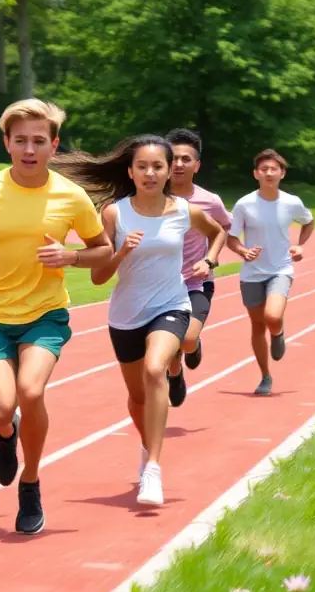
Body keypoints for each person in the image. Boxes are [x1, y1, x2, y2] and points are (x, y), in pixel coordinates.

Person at [0, 99, 112, 535]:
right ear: (7, 144)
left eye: (39, 141)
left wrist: (71, 255)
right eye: (21, 141)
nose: (30, 149)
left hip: (45, 314)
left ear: (53, 146)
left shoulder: (70, 196)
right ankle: (5, 433)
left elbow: (103, 250)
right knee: (0, 410)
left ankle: (31, 481)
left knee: (30, 389)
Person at [55, 135, 225, 506]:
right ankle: (149, 450)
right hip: (126, 313)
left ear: (168, 172)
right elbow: (99, 278)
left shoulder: (184, 211)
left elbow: (218, 232)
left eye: (158, 166)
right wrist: (121, 253)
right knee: (136, 398)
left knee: (153, 370)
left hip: (172, 303)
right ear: (130, 172)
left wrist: (209, 261)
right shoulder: (115, 214)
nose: (150, 173)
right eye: (142, 167)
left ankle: (154, 470)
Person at [226, 148, 314, 397]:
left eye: (273, 169)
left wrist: (299, 245)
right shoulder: (244, 204)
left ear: (282, 173)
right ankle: (265, 375)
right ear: (256, 173)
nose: (268, 173)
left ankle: (278, 331)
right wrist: (243, 252)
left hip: (280, 269)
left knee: (272, 317)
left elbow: (309, 221)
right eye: (263, 169)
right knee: (256, 325)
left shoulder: (291, 202)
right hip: (252, 273)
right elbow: (231, 239)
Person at [164, 128, 231, 407]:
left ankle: (192, 345)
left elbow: (223, 229)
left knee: (188, 339)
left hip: (195, 282)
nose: (179, 164)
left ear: (196, 165)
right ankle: (175, 372)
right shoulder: (150, 195)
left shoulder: (209, 201)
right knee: (167, 341)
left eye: (186, 159)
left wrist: (210, 259)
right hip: (160, 285)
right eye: (174, 158)